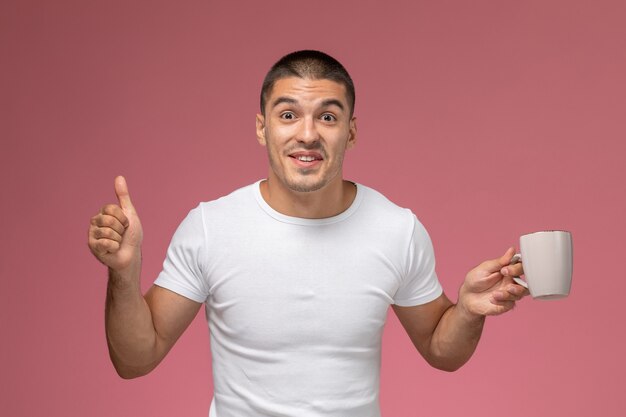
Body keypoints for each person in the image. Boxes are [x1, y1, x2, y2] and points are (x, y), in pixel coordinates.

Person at [88, 50, 528, 417]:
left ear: (350, 132)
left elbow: (440, 349)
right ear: (263, 127)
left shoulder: (397, 229)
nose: (307, 134)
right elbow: (135, 359)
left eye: (328, 117)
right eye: (287, 114)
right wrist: (124, 273)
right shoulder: (210, 227)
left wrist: (469, 310)